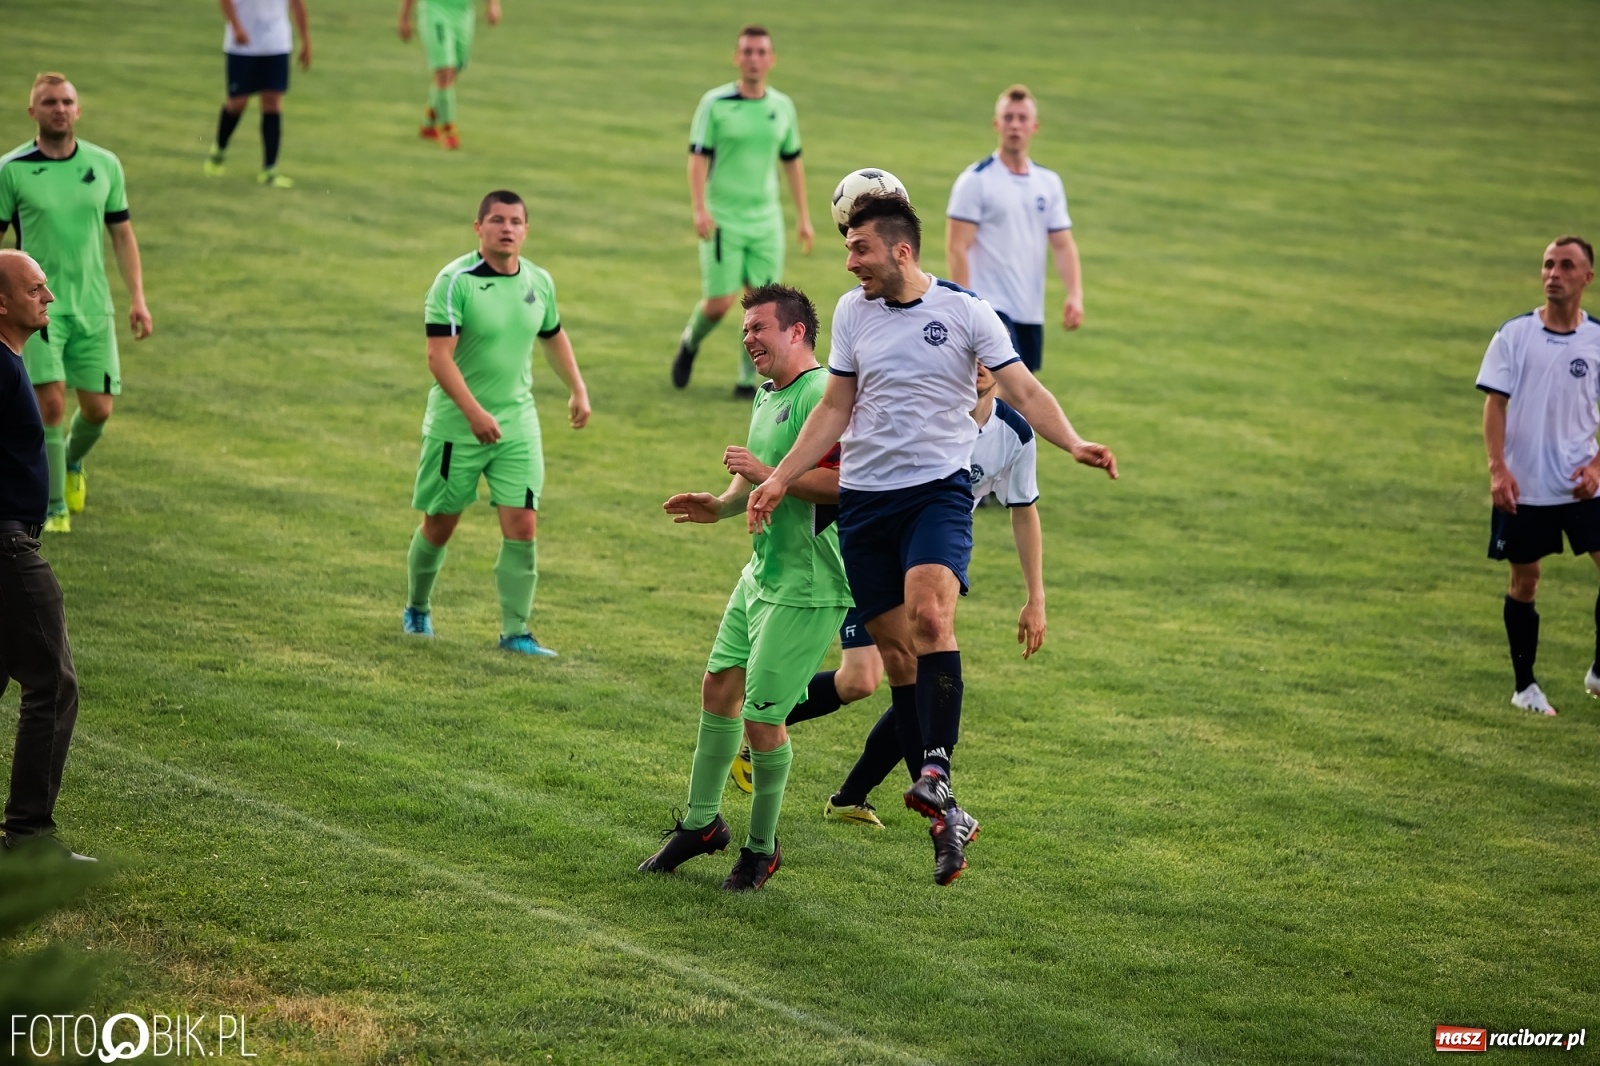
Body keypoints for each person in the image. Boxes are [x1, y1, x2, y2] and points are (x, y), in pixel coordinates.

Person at [748, 193, 1117, 885]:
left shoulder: (966, 312)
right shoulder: (853, 313)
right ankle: (948, 816)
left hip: (935, 495)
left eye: (859, 248)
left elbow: (1024, 391)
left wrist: (1072, 442)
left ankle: (936, 770)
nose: (850, 261)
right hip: (864, 504)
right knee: (897, 660)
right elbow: (834, 407)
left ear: (901, 250)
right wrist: (780, 478)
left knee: (929, 616)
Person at [640, 285, 849, 891]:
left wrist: (768, 475)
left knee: (762, 718)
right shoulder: (768, 393)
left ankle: (761, 851)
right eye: (745, 330)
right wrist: (722, 504)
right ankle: (701, 824)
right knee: (718, 688)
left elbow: (847, 485)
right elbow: (757, 482)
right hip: (762, 573)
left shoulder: (824, 394)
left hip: (809, 584)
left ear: (797, 332)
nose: (748, 338)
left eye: (759, 328)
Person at [778, 362, 1048, 827]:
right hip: (872, 544)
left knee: (911, 673)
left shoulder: (1014, 434)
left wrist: (1035, 597)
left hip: (931, 555)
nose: (978, 368)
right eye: (970, 358)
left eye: (987, 358)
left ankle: (868, 795)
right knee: (872, 678)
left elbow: (1024, 510)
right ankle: (764, 719)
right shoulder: (920, 408)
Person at [404, 190, 589, 656]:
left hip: (517, 424)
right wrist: (474, 413)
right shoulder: (454, 282)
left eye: (515, 221)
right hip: (456, 425)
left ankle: (515, 632)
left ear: (526, 230)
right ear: (478, 228)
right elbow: (438, 357)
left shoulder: (538, 280)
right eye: (497, 220)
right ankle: (417, 608)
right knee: (439, 525)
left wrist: (577, 388)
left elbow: (553, 334)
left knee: (523, 525)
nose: (507, 228)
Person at [0, 73, 154, 535]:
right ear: (33, 112)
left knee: (98, 409)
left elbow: (122, 234)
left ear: (78, 110)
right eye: (49, 102)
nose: (59, 109)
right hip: (38, 307)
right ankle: (53, 507)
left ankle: (69, 462)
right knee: (49, 404)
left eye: (67, 101)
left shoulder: (104, 165)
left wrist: (138, 298)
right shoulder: (11, 169)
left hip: (94, 305)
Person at [1477, 235, 1600, 716]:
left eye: (1566, 265)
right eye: (1548, 264)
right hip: (1525, 487)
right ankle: (1525, 687)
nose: (1554, 274)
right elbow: (1495, 404)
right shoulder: (1514, 335)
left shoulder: (1597, 340)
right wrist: (1498, 470)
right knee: (1525, 583)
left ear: (1586, 277)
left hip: (1582, 485)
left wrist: (1596, 466)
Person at [0, 249, 91, 862]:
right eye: (35, 289)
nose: (49, 297)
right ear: (1, 302)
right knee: (52, 684)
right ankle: (29, 838)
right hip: (6, 546)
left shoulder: (10, 362)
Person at [671, 25, 813, 400]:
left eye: (761, 52)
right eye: (747, 51)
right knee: (719, 304)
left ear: (771, 59)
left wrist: (803, 217)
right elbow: (697, 157)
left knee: (763, 305)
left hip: (765, 221)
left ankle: (745, 381)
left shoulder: (782, 107)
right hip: (723, 220)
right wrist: (699, 208)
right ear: (737, 58)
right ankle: (690, 341)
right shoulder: (715, 104)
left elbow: (792, 161)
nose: (754, 58)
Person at [945, 84, 1080, 373]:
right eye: (1008, 118)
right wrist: (968, 308)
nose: (1015, 125)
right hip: (990, 307)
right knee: (1003, 387)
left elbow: (1062, 244)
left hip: (1029, 311)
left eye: (1022, 118)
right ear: (997, 124)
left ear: (1035, 126)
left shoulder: (1048, 183)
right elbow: (957, 247)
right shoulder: (976, 181)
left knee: (1023, 391)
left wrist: (1074, 294)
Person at [204, 0, 313, 188]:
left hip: (276, 44)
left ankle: (270, 169)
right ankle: (219, 150)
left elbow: (297, 4)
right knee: (238, 103)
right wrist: (236, 27)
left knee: (273, 102)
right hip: (242, 45)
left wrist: (306, 40)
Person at [398, 0, 500, 151]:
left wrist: (493, 4)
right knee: (444, 70)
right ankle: (448, 131)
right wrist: (405, 17)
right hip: (435, 10)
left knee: (456, 68)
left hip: (463, 13)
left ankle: (429, 124)